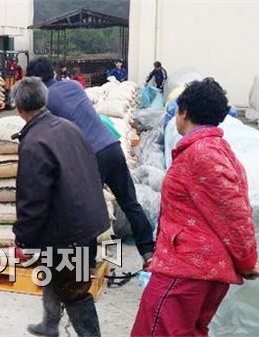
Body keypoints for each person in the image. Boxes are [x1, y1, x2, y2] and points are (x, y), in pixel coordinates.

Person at [26, 57, 155, 335]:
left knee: (76, 218)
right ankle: (149, 252)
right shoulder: (72, 85)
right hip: (110, 146)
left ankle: (78, 272)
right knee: (129, 202)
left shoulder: (44, 102)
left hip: (89, 156)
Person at [131, 78, 259, 337]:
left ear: (184, 112)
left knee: (153, 330)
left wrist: (248, 261)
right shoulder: (214, 149)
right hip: (198, 270)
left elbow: (235, 212)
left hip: (187, 272)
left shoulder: (202, 154)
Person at [11, 77, 109, 337]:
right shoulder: (68, 126)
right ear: (44, 100)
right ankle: (50, 323)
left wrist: (23, 238)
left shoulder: (34, 143)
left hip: (69, 231)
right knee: (53, 272)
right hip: (86, 219)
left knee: (74, 290)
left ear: (18, 107)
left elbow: (32, 200)